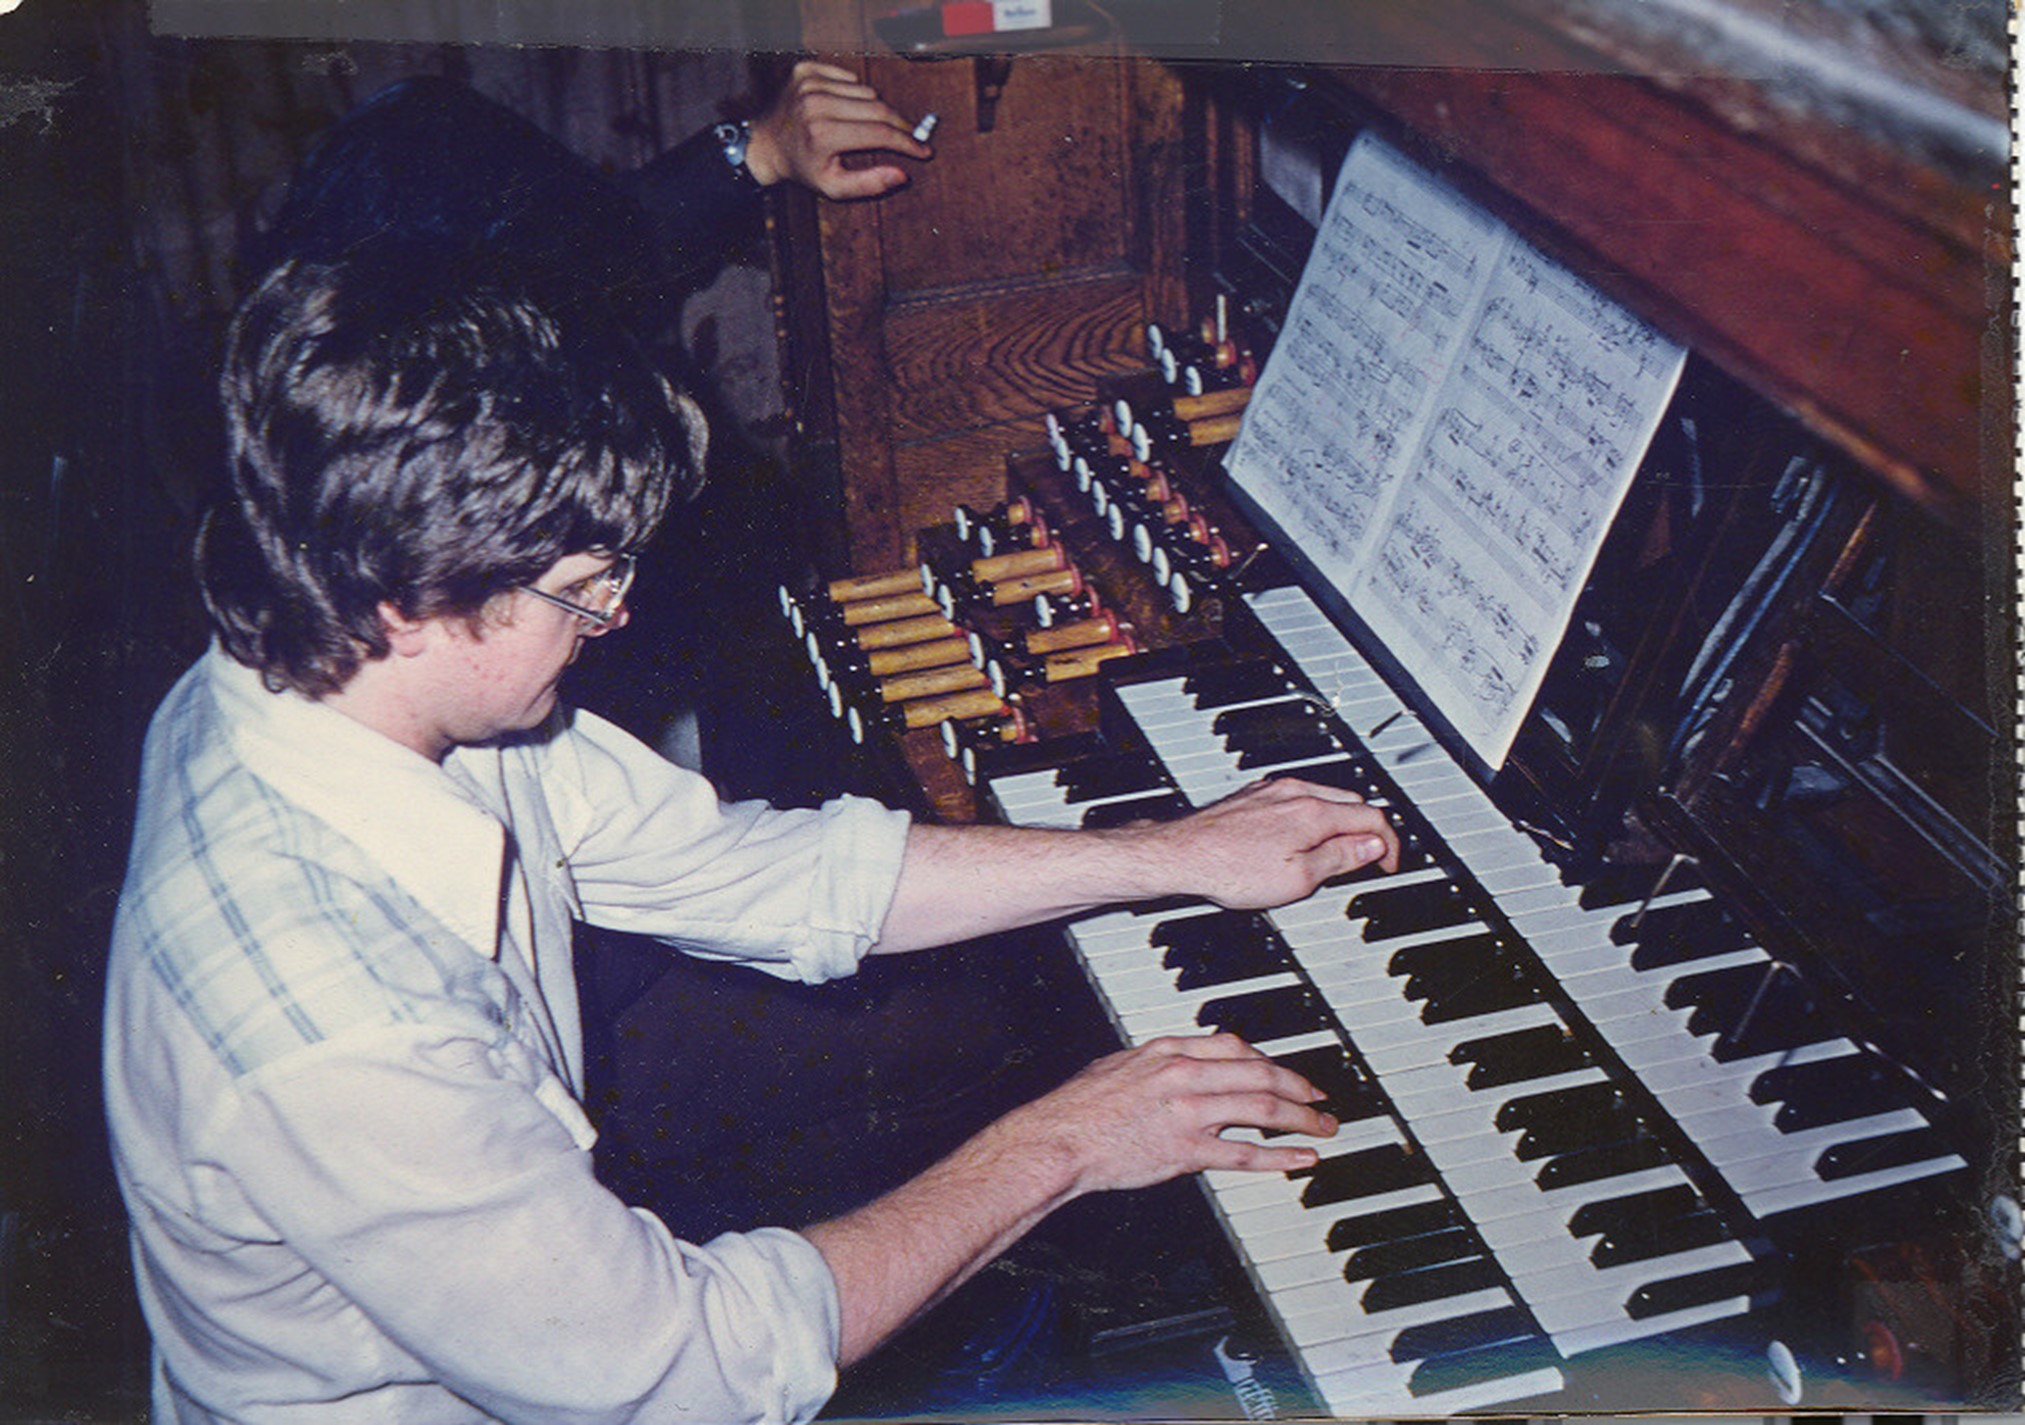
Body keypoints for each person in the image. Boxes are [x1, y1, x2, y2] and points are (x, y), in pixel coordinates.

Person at [103, 71, 1402, 1425]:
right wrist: (1071, 1141)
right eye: (582, 586)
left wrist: (1167, 853)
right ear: (412, 596)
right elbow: (693, 1368)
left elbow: (754, 874)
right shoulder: (326, 1019)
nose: (611, 621)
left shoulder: (336, 666)